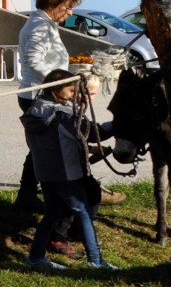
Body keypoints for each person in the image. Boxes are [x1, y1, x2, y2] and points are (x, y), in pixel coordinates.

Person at [21, 69, 115, 270]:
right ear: (56, 89)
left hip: (45, 175)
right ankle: (96, 261)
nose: (75, 95)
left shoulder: (34, 111)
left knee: (52, 214)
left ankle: (36, 258)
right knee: (82, 213)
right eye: (71, 90)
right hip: (67, 175)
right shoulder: (62, 114)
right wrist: (118, 124)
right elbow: (93, 132)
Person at [15, 0, 80, 211]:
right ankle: (32, 194)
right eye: (68, 7)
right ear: (54, 5)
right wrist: (61, 84)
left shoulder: (44, 24)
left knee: (40, 148)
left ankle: (28, 194)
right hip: (38, 95)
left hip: (41, 93)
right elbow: (34, 61)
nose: (70, 12)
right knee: (44, 148)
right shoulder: (39, 26)